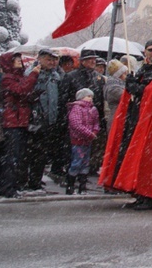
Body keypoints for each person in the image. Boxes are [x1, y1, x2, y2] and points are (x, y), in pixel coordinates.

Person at [99, 39, 152, 210]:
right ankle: (140, 193)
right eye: (150, 50)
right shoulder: (144, 70)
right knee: (136, 157)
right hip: (137, 118)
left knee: (149, 159)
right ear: (145, 52)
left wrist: (139, 89)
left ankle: (151, 196)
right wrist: (133, 85)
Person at [0, 52, 40, 198]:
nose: (19, 62)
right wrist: (33, 75)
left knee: (18, 156)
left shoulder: (20, 77)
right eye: (15, 60)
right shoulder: (7, 78)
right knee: (12, 156)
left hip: (21, 120)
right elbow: (21, 90)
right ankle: (7, 186)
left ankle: (9, 185)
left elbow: (25, 93)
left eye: (19, 60)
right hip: (13, 121)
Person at [58, 49, 107, 178]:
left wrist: (99, 119)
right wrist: (67, 116)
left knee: (86, 150)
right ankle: (70, 174)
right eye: (90, 59)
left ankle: (83, 175)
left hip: (92, 119)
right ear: (82, 61)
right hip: (75, 120)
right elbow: (63, 98)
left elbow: (100, 100)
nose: (93, 61)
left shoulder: (98, 78)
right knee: (73, 149)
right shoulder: (71, 76)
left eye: (94, 59)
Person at [22, 48, 63, 190]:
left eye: (54, 60)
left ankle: (36, 179)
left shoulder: (56, 75)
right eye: (48, 59)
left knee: (42, 153)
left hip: (50, 119)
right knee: (32, 152)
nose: (52, 63)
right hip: (35, 118)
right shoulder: (32, 73)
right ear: (39, 59)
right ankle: (28, 180)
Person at [66, 88, 100, 195]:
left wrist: (94, 131)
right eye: (88, 96)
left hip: (87, 140)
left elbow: (96, 122)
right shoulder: (77, 108)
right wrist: (89, 133)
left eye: (91, 97)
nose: (90, 99)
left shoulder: (93, 109)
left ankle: (82, 186)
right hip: (78, 140)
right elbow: (76, 124)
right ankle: (70, 186)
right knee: (77, 162)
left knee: (85, 163)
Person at [104, 59, 128, 132]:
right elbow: (127, 97)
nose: (126, 76)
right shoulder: (113, 88)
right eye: (125, 73)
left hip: (121, 118)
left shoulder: (121, 84)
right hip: (117, 119)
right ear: (119, 75)